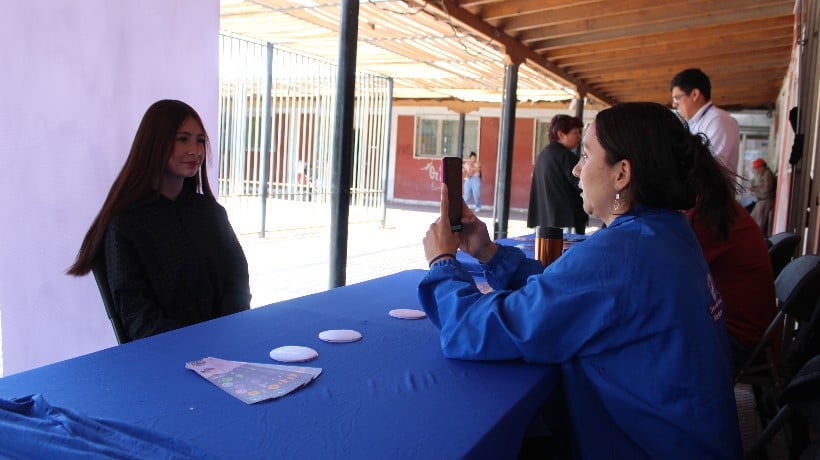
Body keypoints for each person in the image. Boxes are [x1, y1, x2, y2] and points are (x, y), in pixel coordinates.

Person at [418, 102, 741, 459]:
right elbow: (567, 293)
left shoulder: (622, 252)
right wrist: (487, 252)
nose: (575, 169)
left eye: (586, 155)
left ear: (622, 174)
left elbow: (478, 330)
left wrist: (443, 263)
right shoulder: (666, 231)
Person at [67, 99, 251, 341]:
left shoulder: (211, 213)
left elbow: (237, 280)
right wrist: (194, 343)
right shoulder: (126, 225)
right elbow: (137, 315)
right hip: (165, 355)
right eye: (182, 139)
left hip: (225, 344)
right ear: (154, 143)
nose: (195, 150)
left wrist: (227, 331)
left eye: (199, 140)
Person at [686, 199, 777, 375]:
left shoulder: (707, 217)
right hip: (747, 332)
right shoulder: (719, 208)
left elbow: (666, 277)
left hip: (739, 339)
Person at [670, 68, 740, 174]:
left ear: (695, 94)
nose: (674, 104)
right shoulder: (693, 122)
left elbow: (709, 168)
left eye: (676, 98)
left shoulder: (718, 121)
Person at [527, 114, 587, 235]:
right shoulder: (566, 156)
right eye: (575, 133)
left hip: (545, 221)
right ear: (561, 134)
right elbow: (581, 184)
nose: (579, 137)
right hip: (567, 221)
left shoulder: (543, 154)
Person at [750, 158, 776, 235]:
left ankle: (757, 237)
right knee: (753, 218)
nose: (757, 171)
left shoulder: (767, 174)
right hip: (762, 200)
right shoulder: (764, 174)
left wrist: (756, 189)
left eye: (757, 168)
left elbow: (766, 190)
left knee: (759, 222)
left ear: (762, 167)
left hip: (766, 200)